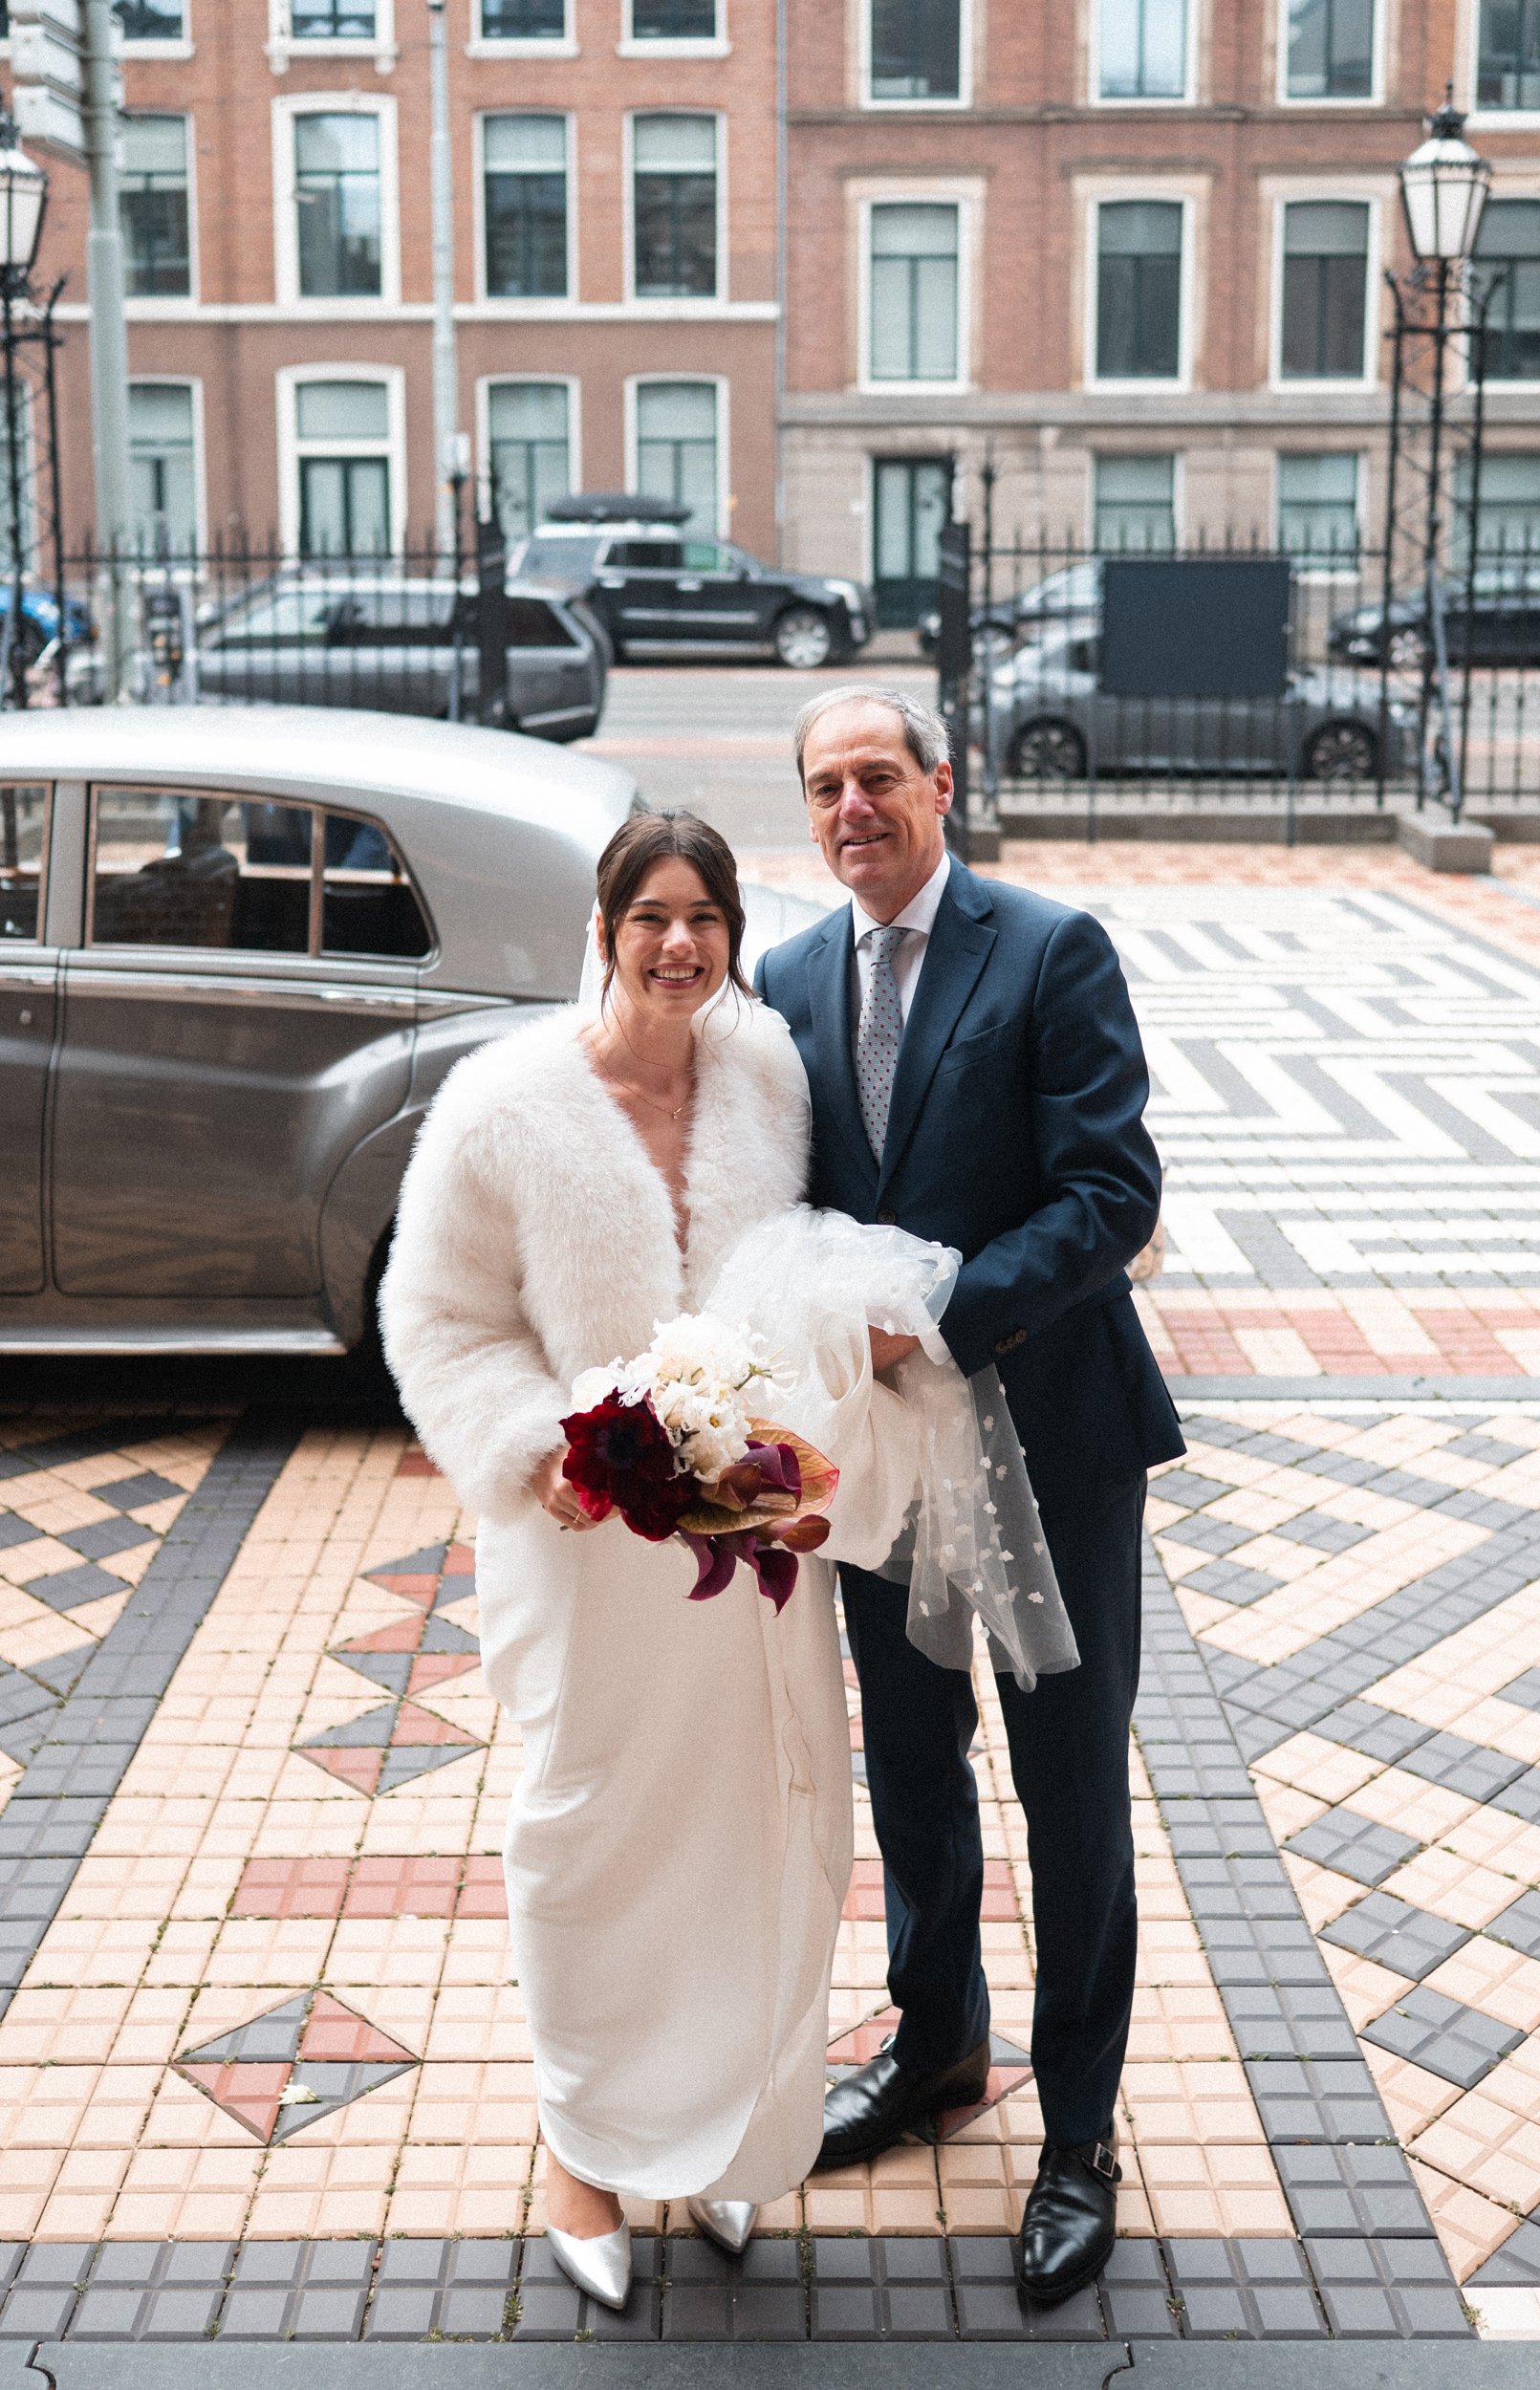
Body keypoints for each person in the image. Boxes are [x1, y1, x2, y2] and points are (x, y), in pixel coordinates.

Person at [379, 810, 976, 2314]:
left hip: (750, 1553)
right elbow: (439, 1323)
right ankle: (583, 2143)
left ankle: (712, 2129)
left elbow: (819, 1282)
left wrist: (804, 1467)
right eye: (647, 917)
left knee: (750, 1837)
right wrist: (545, 1450)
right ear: (603, 933)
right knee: (588, 1833)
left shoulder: (769, 1079)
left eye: (702, 916)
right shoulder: (505, 1107)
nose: (677, 944)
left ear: (728, 932)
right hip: (585, 1547)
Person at [755, 687, 1185, 2306]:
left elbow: (1113, 1193)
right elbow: (786, 1211)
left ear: (945, 784)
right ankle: (938, 2047)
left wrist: (938, 1312)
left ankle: (1077, 2129)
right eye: (824, 787)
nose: (852, 806)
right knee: (916, 1774)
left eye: (878, 776)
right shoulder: (792, 978)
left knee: (1069, 1789)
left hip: (1051, 1439)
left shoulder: (1051, 947)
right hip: (881, 1466)